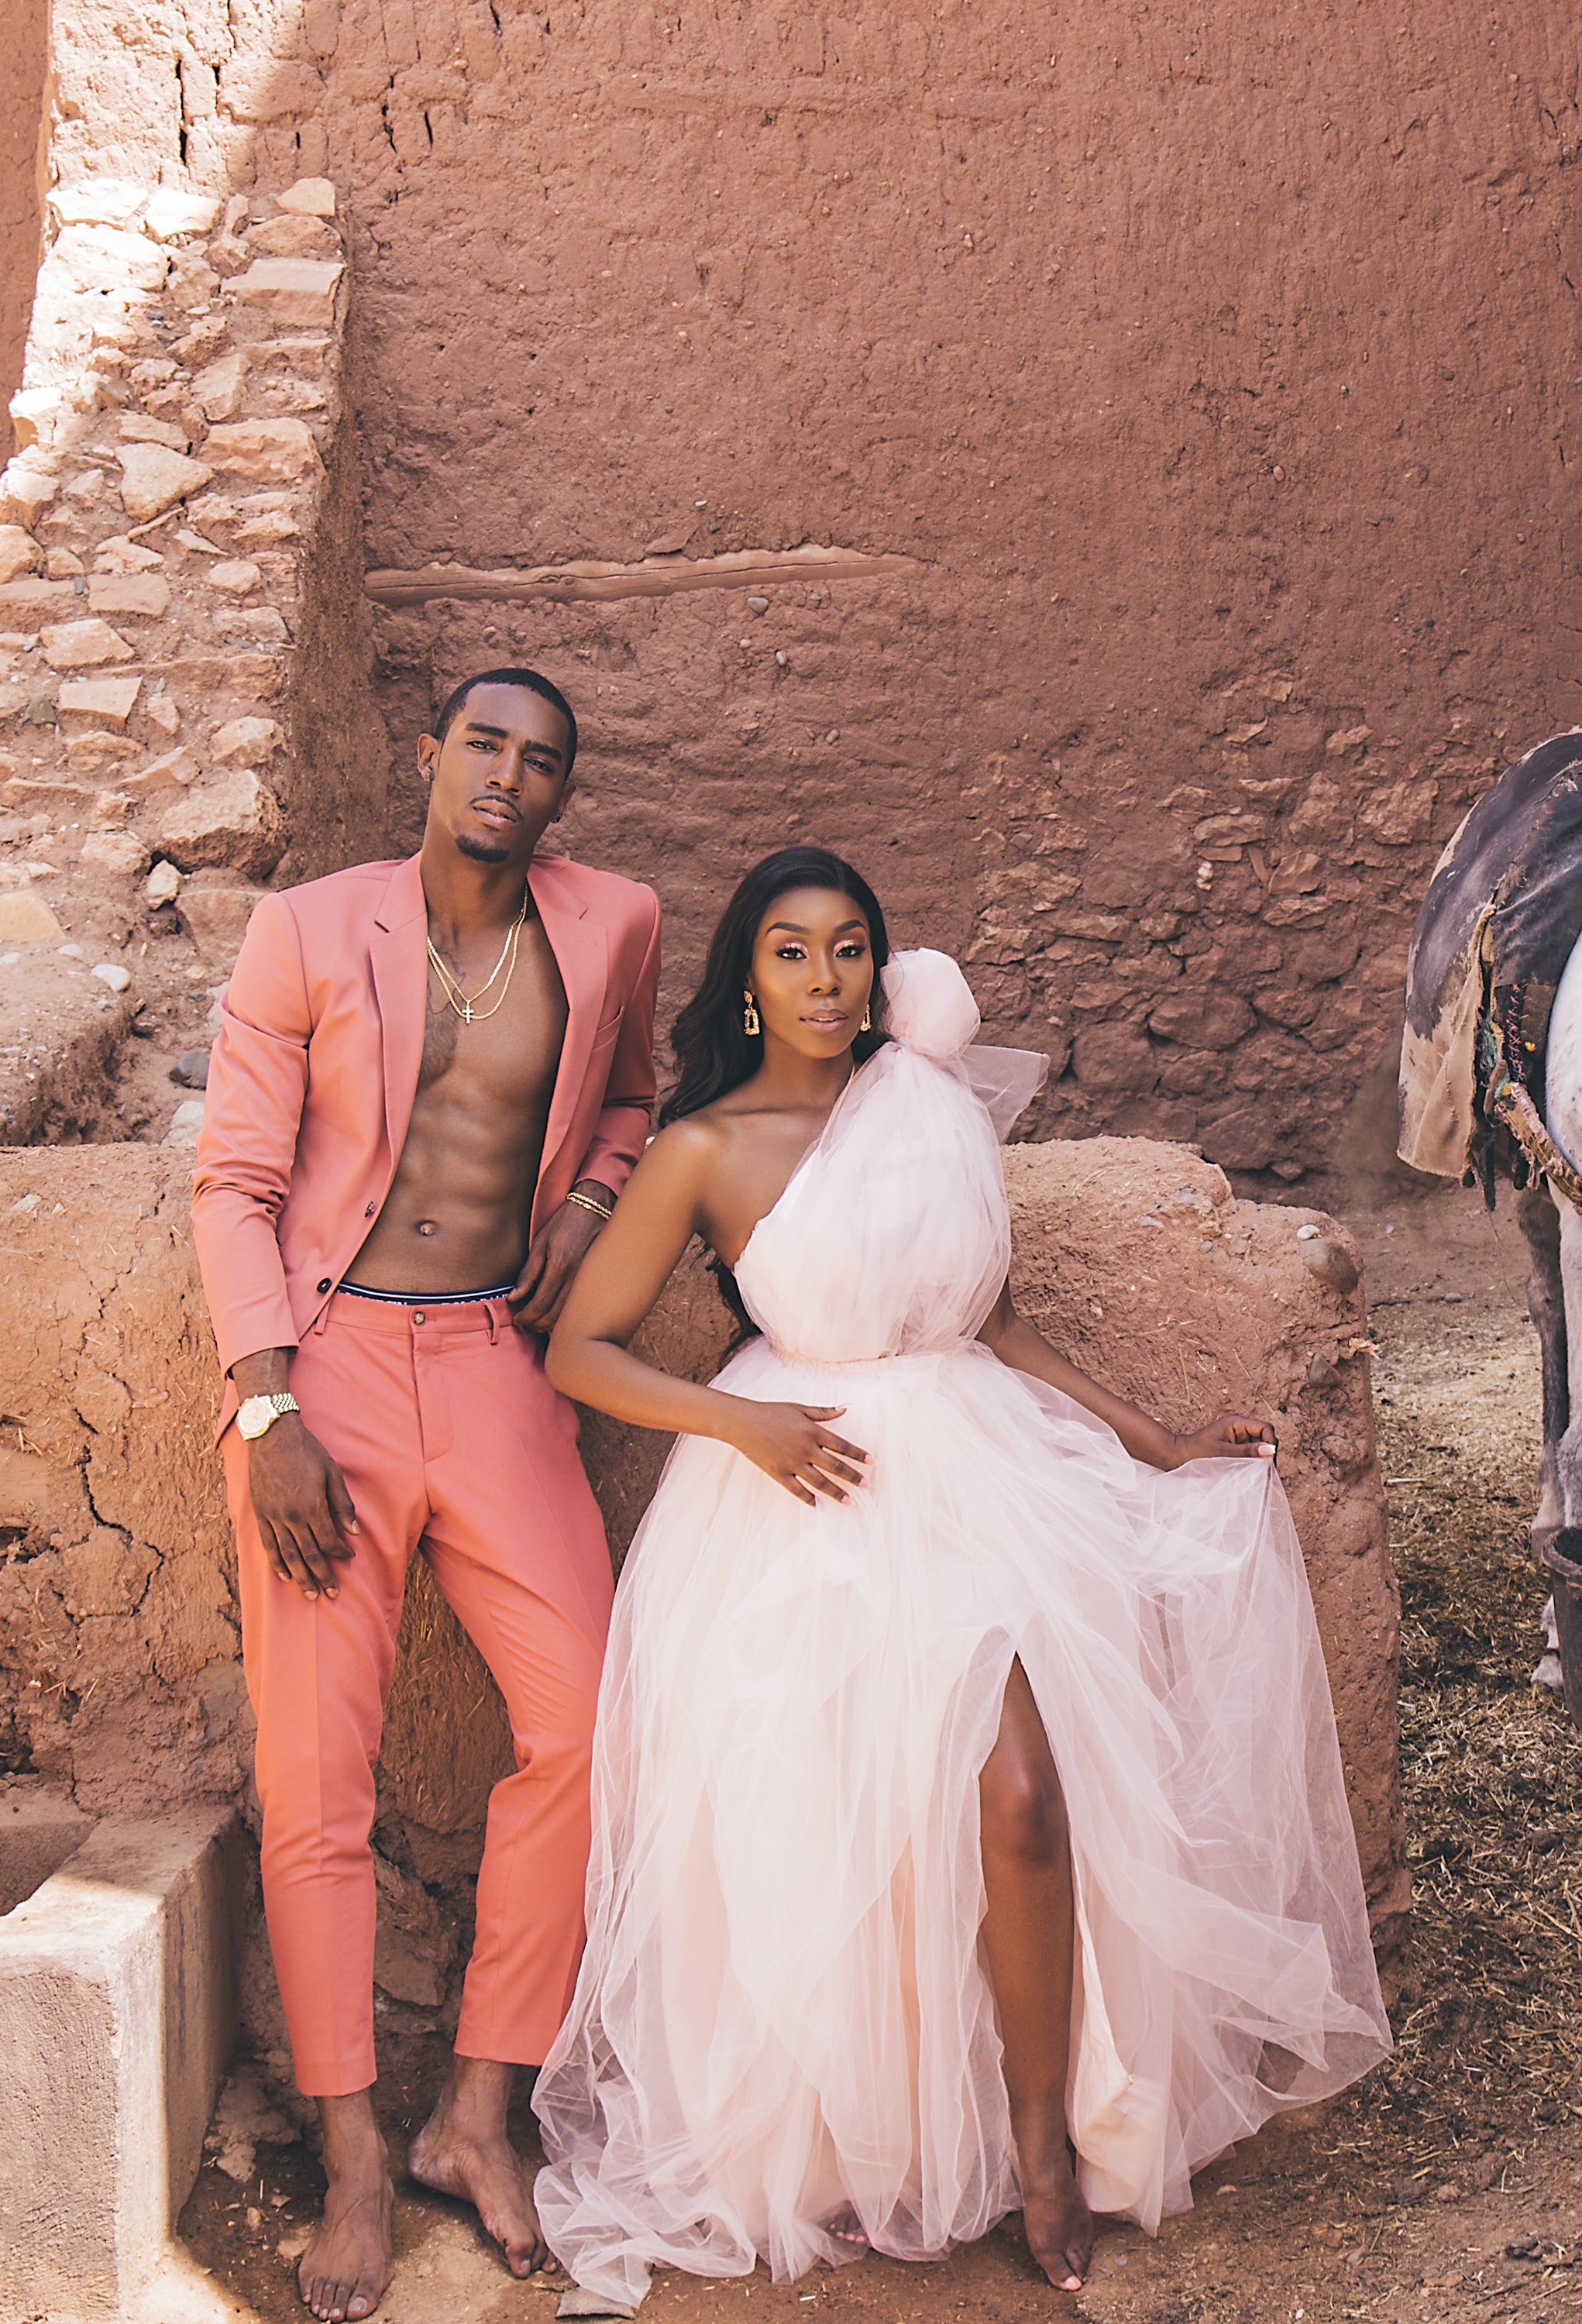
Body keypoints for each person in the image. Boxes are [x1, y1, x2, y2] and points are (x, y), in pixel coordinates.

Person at [529, 847, 1389, 2308]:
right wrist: (743, 1423)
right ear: (748, 975)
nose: (824, 981)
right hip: (800, 1499)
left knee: (1025, 1798)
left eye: (849, 950)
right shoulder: (704, 1148)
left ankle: (1050, 2148)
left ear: (882, 969)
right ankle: (888, 2136)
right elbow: (579, 1352)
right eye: (791, 953)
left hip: (977, 1474)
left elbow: (990, 1324)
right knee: (848, 1838)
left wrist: (1157, 1439)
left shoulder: (923, 1102)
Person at [191, 669, 664, 2323]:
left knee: (592, 1720)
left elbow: (628, 1096)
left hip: (492, 1368)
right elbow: (238, 1185)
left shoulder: (611, 927)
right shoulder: (312, 931)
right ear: (430, 756)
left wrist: (595, 1204)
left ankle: (478, 2110)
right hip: (323, 1372)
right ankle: (349, 2163)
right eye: (486, 744)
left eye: (544, 763)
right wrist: (265, 1409)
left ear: (560, 799)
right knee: (318, 1778)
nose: (510, 778)